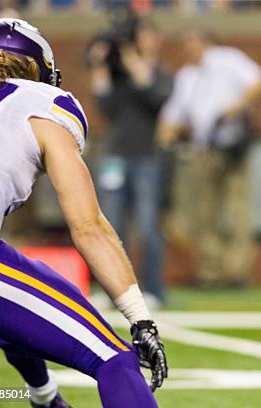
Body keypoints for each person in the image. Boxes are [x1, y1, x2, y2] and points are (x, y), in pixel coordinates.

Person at [0, 18, 167, 407]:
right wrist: (140, 318)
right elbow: (88, 226)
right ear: (36, 68)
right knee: (116, 361)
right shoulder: (42, 103)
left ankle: (45, 398)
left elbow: (13, 314)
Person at [157, 30, 261, 288]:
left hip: (232, 145)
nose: (190, 50)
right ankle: (211, 272)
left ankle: (237, 271)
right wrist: (165, 135)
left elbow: (259, 82)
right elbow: (174, 113)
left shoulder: (226, 59)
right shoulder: (187, 75)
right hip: (203, 147)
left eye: (194, 43)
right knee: (203, 212)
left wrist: (234, 109)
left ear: (206, 43)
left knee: (236, 208)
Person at [88, 14, 172, 307]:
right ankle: (114, 289)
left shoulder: (160, 72)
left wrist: (132, 58)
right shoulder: (118, 75)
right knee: (111, 225)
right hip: (115, 156)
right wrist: (101, 65)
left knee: (148, 226)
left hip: (146, 157)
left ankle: (153, 290)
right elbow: (103, 104)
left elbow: (155, 97)